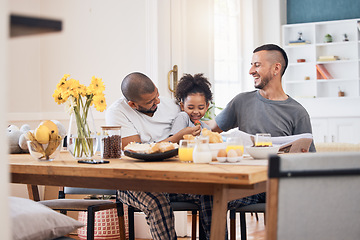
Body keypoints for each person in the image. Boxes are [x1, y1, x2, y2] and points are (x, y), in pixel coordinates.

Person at [206, 43, 315, 216]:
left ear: (276, 68)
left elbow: (309, 160)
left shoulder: (297, 112)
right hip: (246, 186)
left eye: (257, 65)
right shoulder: (241, 102)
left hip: (280, 188)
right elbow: (210, 129)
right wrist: (187, 116)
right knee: (211, 196)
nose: (251, 71)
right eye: (251, 65)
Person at [105, 72, 212, 240]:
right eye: (150, 101)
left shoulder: (170, 105)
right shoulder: (117, 113)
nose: (158, 102)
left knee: (209, 192)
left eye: (157, 95)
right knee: (157, 202)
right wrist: (176, 138)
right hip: (134, 181)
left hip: (172, 178)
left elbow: (195, 119)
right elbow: (134, 151)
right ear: (133, 104)